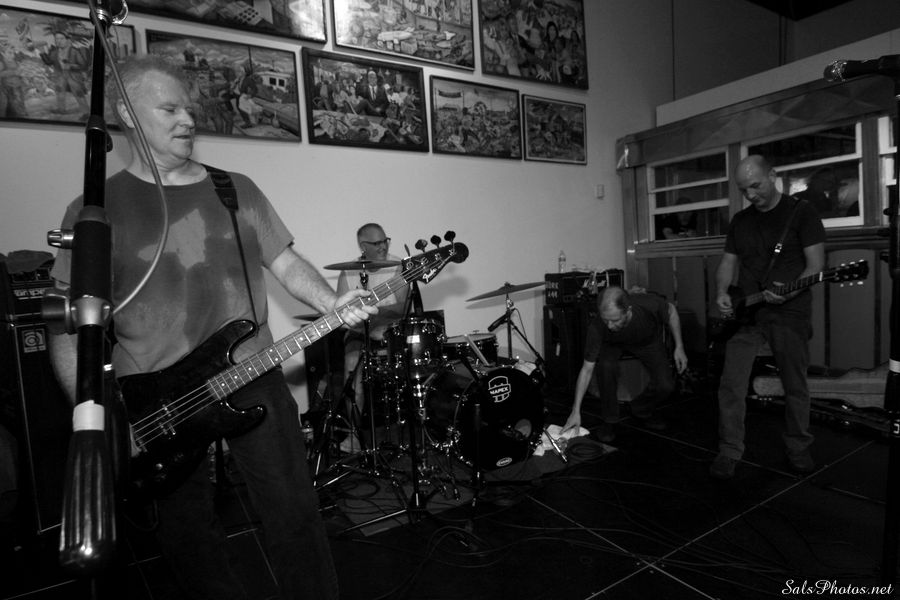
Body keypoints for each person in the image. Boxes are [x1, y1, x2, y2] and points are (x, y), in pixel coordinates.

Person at [47, 55, 376, 600]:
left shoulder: (234, 189)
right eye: (169, 109)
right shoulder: (94, 211)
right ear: (126, 112)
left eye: (189, 109)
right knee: (188, 537)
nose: (187, 119)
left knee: (294, 514)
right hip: (153, 399)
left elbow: (286, 263)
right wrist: (98, 419)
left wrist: (332, 303)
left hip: (251, 373)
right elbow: (67, 327)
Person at [710, 154, 826, 480]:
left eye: (756, 186)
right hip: (749, 313)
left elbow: (816, 266)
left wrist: (789, 293)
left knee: (794, 384)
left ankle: (798, 446)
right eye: (743, 189)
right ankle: (729, 449)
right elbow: (728, 262)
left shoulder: (802, 213)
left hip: (790, 312)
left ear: (773, 175)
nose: (751, 195)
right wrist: (722, 291)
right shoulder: (740, 221)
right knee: (731, 384)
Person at [562, 286, 688, 443]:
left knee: (666, 385)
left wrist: (679, 346)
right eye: (605, 320)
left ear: (628, 311)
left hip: (647, 341)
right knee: (606, 366)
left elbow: (672, 312)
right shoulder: (597, 327)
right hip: (613, 343)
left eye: (615, 320)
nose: (609, 325)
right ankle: (609, 420)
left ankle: (641, 409)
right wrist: (575, 411)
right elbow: (587, 369)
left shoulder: (648, 304)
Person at [335, 224, 409, 441]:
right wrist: (363, 320)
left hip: (392, 331)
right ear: (363, 246)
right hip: (359, 333)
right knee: (351, 377)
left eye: (385, 241)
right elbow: (340, 314)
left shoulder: (398, 267)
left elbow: (403, 307)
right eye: (377, 243)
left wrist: (374, 313)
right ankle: (355, 435)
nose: (383, 246)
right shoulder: (348, 272)